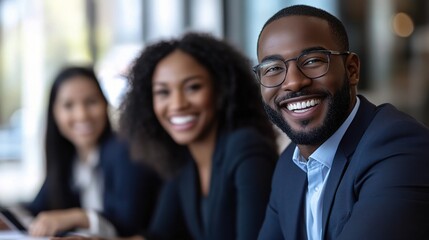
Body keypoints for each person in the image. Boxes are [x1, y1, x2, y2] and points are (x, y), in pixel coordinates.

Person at [255, 4, 429, 240]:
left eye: (312, 61)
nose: (294, 82)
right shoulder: (289, 165)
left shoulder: (400, 148)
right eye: (274, 68)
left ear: (352, 70)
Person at [114, 32, 278, 240]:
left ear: (221, 90)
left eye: (193, 87)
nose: (177, 104)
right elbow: (157, 236)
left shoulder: (246, 148)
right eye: (163, 92)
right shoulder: (184, 159)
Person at [19, 66, 161, 238]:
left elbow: (129, 225)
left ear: (105, 104)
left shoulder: (125, 151)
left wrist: (77, 217)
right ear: (54, 113)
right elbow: (36, 210)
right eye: (68, 105)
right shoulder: (69, 160)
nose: (82, 115)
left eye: (91, 102)